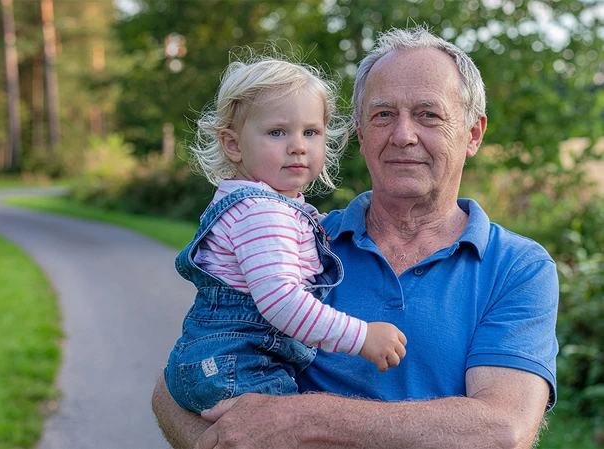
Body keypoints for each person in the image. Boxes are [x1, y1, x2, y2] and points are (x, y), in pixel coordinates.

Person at [152, 26, 559, 449]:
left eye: (428, 114)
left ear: (473, 134)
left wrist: (303, 419)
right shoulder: (298, 240)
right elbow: (177, 382)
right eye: (383, 114)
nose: (403, 135)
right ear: (360, 135)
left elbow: (500, 430)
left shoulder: (517, 267)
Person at [164, 54, 408, 415]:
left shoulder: (255, 204)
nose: (298, 145)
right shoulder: (263, 213)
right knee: (294, 428)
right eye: (277, 132)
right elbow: (281, 302)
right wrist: (362, 337)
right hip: (241, 367)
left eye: (311, 132)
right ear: (233, 144)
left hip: (210, 364)